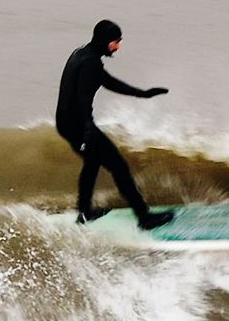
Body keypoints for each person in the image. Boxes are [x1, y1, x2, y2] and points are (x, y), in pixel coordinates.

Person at [56, 19, 175, 230]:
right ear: (104, 41)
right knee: (119, 166)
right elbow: (83, 99)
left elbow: (108, 81)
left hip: (66, 123)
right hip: (78, 125)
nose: (117, 46)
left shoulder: (81, 54)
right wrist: (87, 131)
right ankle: (144, 217)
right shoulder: (91, 62)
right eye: (115, 41)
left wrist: (143, 94)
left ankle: (84, 212)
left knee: (92, 163)